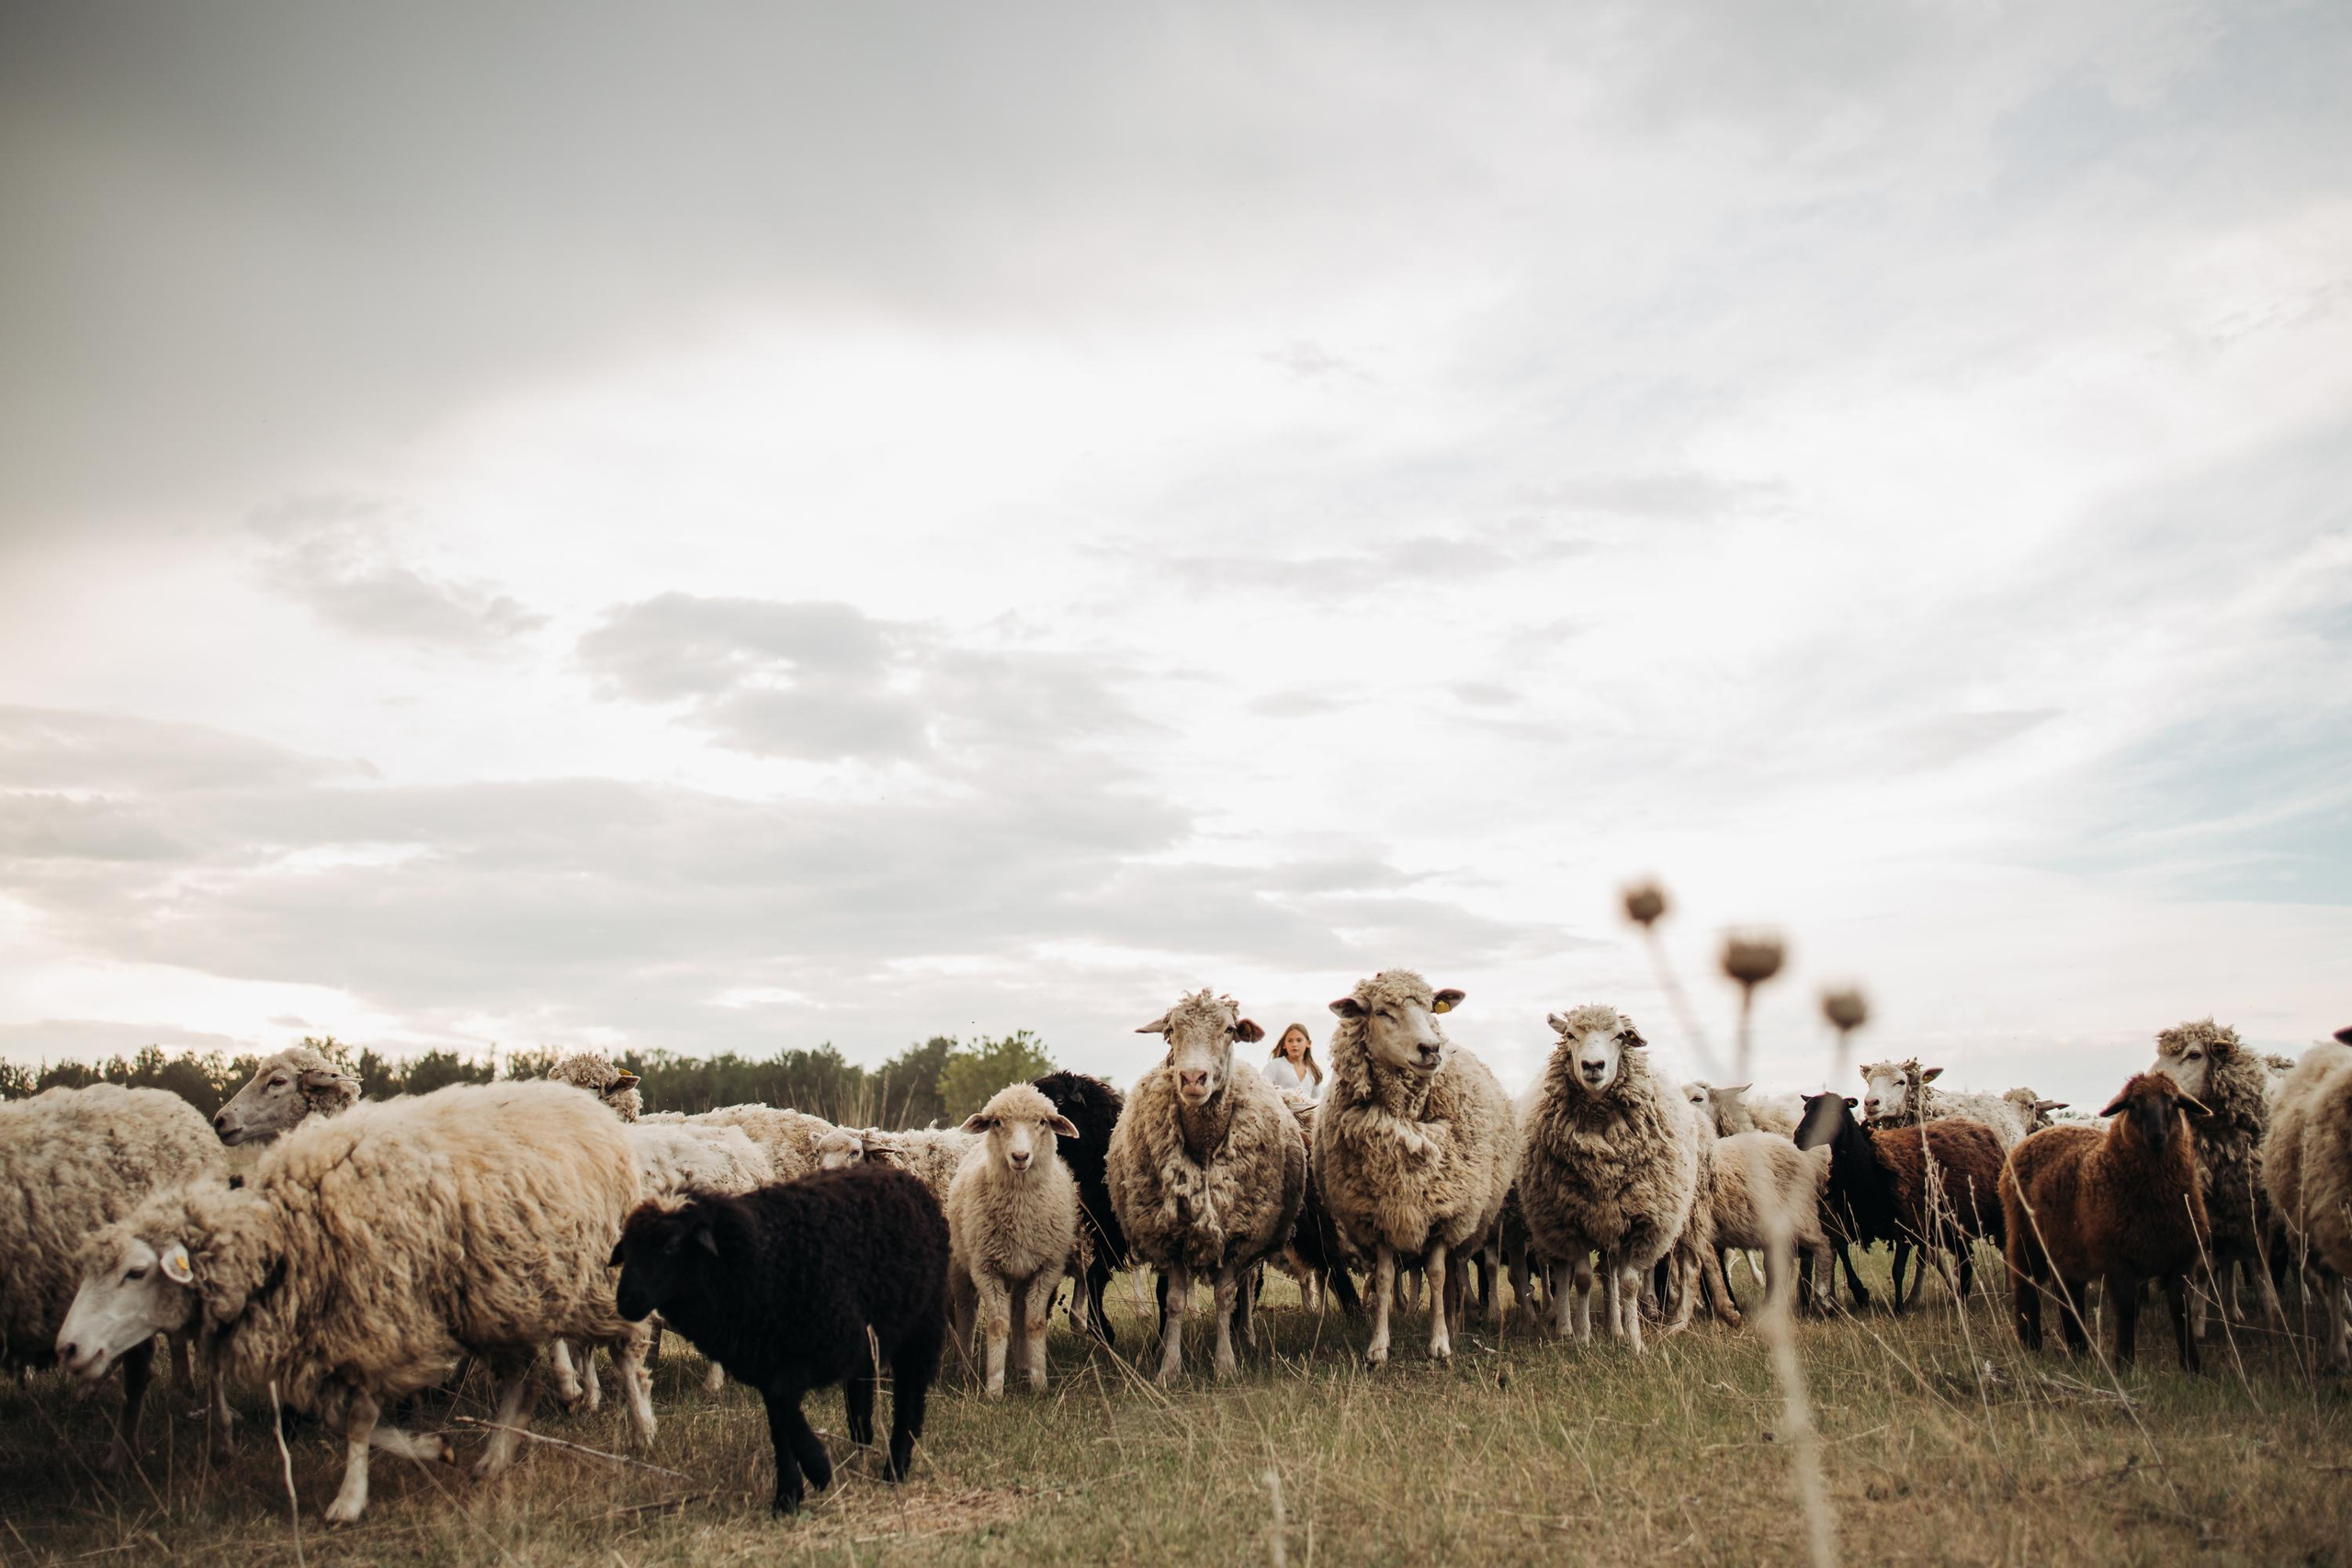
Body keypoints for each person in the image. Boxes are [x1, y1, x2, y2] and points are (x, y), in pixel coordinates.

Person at [1263, 1022, 1322, 1101]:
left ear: (1308, 1043)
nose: (1294, 1044)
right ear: (1284, 1044)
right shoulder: (1274, 1065)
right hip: (1280, 1108)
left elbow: (1318, 1098)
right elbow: (1261, 1089)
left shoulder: (1313, 1070)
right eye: (1290, 1041)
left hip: (1308, 1109)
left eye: (1299, 1040)